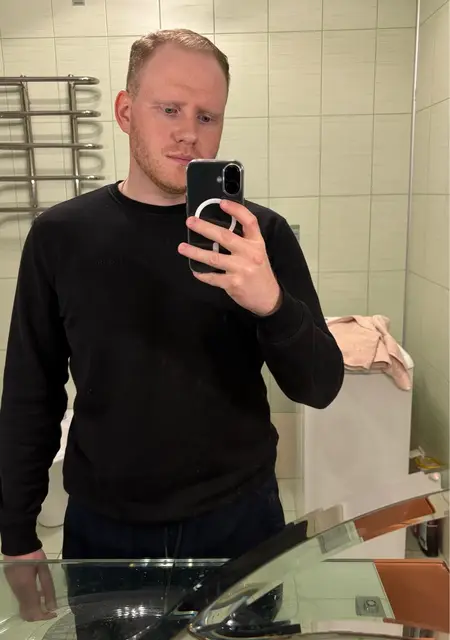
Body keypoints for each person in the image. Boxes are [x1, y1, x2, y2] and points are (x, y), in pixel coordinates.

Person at [0, 28, 344, 625]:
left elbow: (320, 386)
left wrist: (271, 303)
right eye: (169, 109)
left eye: (207, 116)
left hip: (240, 521)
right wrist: (16, 531)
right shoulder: (61, 236)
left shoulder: (259, 236)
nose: (190, 131)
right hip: (106, 530)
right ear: (125, 112)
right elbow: (31, 389)